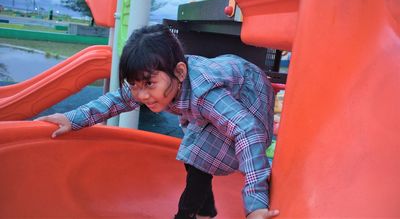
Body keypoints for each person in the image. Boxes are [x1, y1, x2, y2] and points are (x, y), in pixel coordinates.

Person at [37, 24, 279, 219]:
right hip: (221, 90)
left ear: (180, 73)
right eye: (134, 85)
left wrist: (255, 204)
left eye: (149, 84)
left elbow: (248, 130)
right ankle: (205, 211)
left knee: (198, 156)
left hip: (250, 94)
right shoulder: (162, 79)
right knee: (194, 153)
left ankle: (186, 214)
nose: (141, 95)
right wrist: (72, 118)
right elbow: (116, 100)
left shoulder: (206, 95)